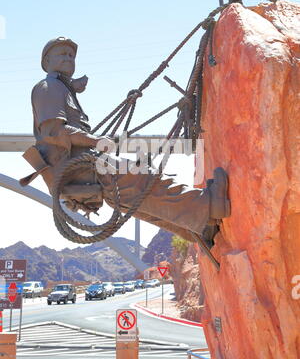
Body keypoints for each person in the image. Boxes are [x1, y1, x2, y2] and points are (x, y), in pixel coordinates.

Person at [20, 37, 231, 243]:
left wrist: (73, 87)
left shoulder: (61, 88)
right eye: (62, 54)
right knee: (145, 179)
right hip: (80, 169)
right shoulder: (49, 88)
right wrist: (94, 141)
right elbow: (54, 132)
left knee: (134, 201)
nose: (68, 58)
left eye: (71, 55)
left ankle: (202, 229)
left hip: (79, 171)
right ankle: (211, 205)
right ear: (46, 61)